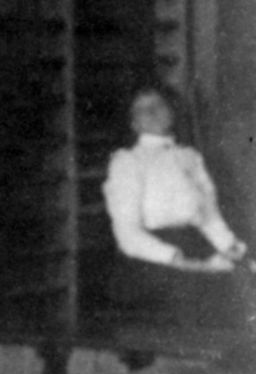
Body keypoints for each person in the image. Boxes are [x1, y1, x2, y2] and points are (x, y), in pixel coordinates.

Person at [102, 82, 255, 332]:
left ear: (171, 112)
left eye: (158, 105)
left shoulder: (190, 157)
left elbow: (209, 219)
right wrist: (181, 261)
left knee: (244, 279)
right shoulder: (127, 162)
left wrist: (235, 251)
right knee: (206, 296)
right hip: (148, 260)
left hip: (193, 244)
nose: (152, 112)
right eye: (142, 109)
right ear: (133, 124)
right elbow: (128, 236)